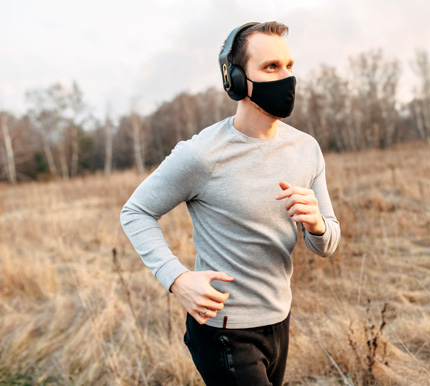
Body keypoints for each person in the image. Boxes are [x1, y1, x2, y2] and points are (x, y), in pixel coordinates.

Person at [120, 21, 341, 386]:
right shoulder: (202, 155)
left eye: (289, 66)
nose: (286, 78)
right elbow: (137, 212)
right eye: (271, 67)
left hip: (278, 321)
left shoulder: (306, 149)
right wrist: (176, 278)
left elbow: (327, 244)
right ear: (235, 80)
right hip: (224, 331)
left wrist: (316, 224)